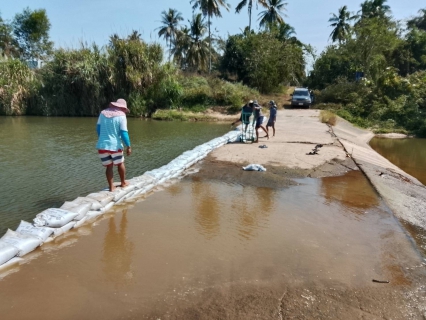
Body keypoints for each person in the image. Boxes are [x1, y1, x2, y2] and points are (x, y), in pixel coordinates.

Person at [96, 98, 132, 191]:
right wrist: (128, 146)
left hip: (102, 145)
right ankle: (123, 183)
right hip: (115, 146)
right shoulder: (122, 116)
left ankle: (111, 187)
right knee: (120, 163)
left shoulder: (102, 113)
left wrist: (103, 139)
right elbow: (124, 132)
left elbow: (98, 129)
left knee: (109, 166)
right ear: (122, 108)